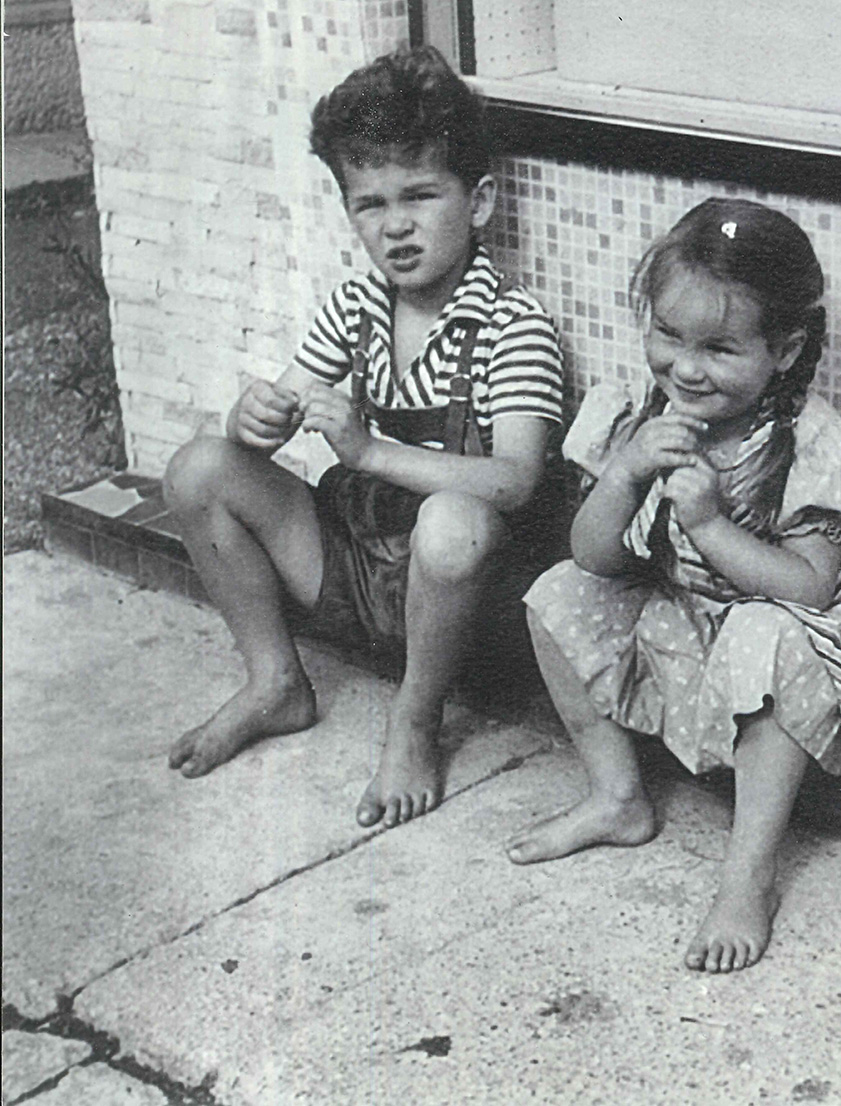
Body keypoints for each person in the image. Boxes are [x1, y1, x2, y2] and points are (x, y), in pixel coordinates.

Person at [162, 46, 566, 828]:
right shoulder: (357, 304)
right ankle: (276, 680)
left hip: (466, 604)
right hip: (358, 570)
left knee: (454, 520)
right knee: (199, 468)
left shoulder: (513, 326)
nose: (396, 227)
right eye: (370, 205)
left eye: (420, 196)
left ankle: (415, 719)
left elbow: (516, 481)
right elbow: (277, 407)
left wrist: (371, 451)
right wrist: (254, 419)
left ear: (479, 202)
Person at [514, 198, 841, 973]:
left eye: (721, 348)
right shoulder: (640, 415)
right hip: (691, 625)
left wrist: (711, 526)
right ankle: (618, 796)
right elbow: (592, 556)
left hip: (795, 647)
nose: (686, 368)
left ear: (784, 349)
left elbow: (810, 588)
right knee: (556, 591)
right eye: (669, 335)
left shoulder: (809, 443)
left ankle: (747, 874)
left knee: (763, 632)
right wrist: (625, 473)